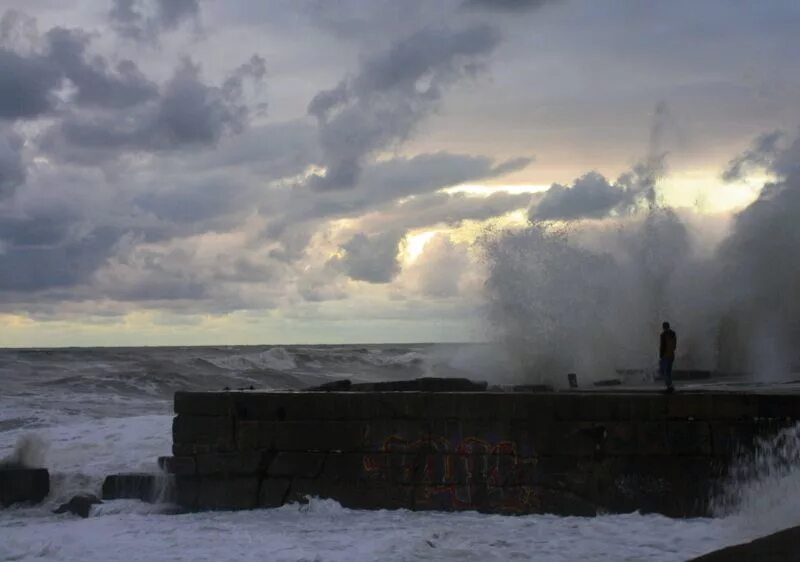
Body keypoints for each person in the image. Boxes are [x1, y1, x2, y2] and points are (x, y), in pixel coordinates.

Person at [659, 321, 677, 393]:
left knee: (664, 371)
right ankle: (670, 385)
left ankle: (669, 386)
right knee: (668, 371)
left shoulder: (663, 335)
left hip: (665, 356)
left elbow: (662, 346)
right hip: (671, 355)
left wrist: (661, 355)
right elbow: (674, 345)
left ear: (663, 327)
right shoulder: (673, 334)